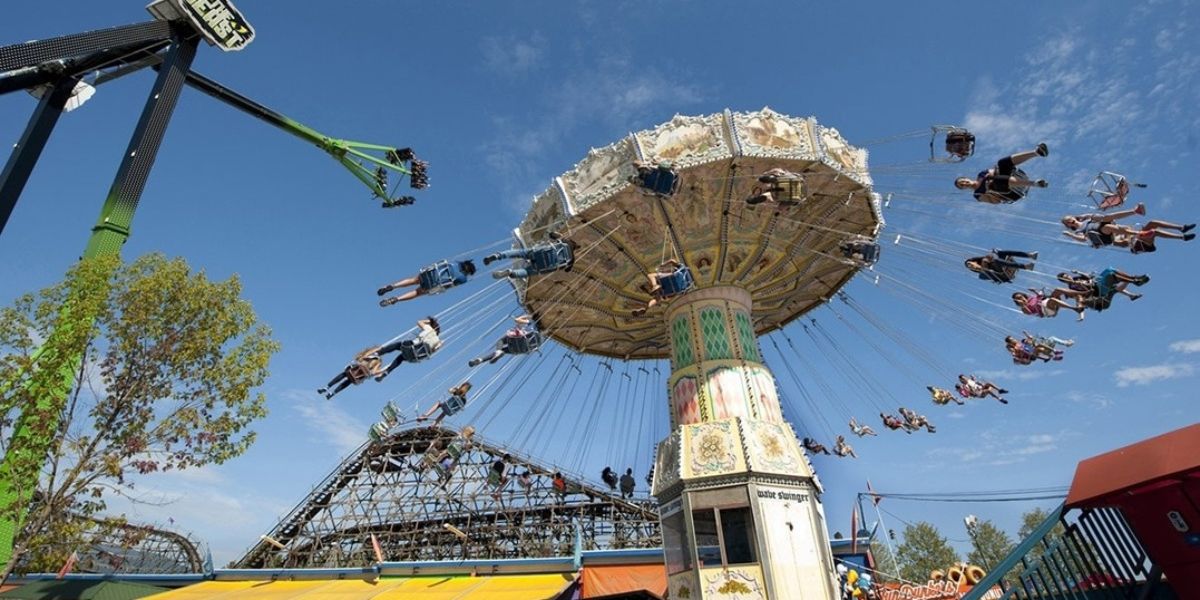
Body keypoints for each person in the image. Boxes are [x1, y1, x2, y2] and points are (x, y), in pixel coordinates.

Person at [955, 143, 1049, 203]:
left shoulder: (981, 175)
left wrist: (989, 177)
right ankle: (1036, 183)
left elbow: (994, 171)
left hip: (1015, 177)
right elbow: (996, 201)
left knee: (1001, 163)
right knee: (995, 182)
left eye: (963, 181)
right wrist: (987, 189)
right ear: (963, 189)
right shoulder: (977, 194)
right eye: (962, 185)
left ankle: (1037, 152)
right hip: (1011, 193)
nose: (964, 183)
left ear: (967, 178)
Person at [378, 259, 477, 306]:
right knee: (417, 293)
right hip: (432, 285)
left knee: (413, 280)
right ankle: (396, 299)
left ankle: (393, 286)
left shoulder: (456, 263)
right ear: (468, 272)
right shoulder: (463, 279)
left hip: (428, 274)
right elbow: (453, 285)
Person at [485, 233, 578, 279]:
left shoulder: (566, 241)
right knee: (527, 272)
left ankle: (498, 256)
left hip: (542, 253)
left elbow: (552, 234)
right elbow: (567, 270)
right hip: (544, 266)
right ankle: (511, 273)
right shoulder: (572, 259)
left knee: (520, 253)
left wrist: (561, 236)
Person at [375, 317, 443, 380]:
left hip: (411, 347)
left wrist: (429, 320)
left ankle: (378, 353)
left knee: (397, 345)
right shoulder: (437, 341)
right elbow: (433, 351)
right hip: (416, 357)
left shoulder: (429, 329)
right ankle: (386, 372)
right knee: (400, 358)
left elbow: (419, 322)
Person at [1061, 203, 1147, 248]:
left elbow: (1097, 217)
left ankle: (1136, 211)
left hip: (1101, 226)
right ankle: (1138, 233)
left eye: (1070, 218)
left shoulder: (1086, 219)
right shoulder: (1078, 231)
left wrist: (1087, 215)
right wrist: (1070, 235)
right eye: (1068, 222)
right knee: (1107, 227)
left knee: (1107, 217)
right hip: (1101, 236)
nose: (1070, 220)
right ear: (1068, 225)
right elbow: (1082, 239)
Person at [1056, 269, 1145, 311]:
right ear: (1064, 281)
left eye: (1067, 275)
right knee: (1111, 276)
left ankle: (1133, 278)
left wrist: (1079, 273)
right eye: (1066, 278)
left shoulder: (1076, 278)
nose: (1068, 277)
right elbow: (1085, 294)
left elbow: (1088, 277)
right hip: (1097, 290)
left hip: (1097, 282)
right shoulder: (1071, 288)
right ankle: (1133, 282)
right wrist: (1083, 285)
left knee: (1109, 269)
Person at [469, 315, 540, 367]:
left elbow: (517, 320)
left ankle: (497, 352)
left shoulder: (529, 322)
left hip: (521, 340)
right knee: (503, 351)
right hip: (523, 349)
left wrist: (527, 316)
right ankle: (481, 360)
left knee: (501, 341)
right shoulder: (537, 328)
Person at [318, 346, 383, 400]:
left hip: (358, 369)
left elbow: (360, 359)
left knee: (345, 375)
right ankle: (331, 392)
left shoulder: (375, 359)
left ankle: (328, 388)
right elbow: (360, 359)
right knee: (348, 380)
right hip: (359, 371)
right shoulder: (375, 358)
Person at [1114, 220, 1196, 254]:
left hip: (1139, 237)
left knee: (1152, 223)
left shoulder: (1120, 228)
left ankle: (1182, 228)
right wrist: (1130, 238)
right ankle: (1182, 237)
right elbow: (1123, 244)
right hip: (1138, 246)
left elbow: (1129, 229)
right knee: (1154, 232)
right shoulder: (1113, 238)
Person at [964, 250, 1038, 284]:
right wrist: (984, 266)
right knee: (996, 261)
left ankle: (1030, 255)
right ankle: (1026, 267)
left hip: (1000, 265)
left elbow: (991, 256)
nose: (971, 266)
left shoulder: (984, 259)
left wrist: (989, 257)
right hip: (1001, 274)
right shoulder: (981, 275)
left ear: (975, 262)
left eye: (970, 264)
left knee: (1000, 253)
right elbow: (988, 274)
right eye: (969, 267)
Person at [1011, 289, 1087, 321]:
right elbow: (1030, 313)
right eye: (1019, 298)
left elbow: (1040, 296)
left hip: (1047, 301)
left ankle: (1081, 293)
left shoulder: (1031, 298)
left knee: (1058, 290)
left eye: (1021, 296)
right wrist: (1023, 305)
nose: (1021, 298)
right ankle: (1074, 308)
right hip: (1046, 310)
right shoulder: (1023, 308)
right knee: (1052, 300)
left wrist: (1034, 291)